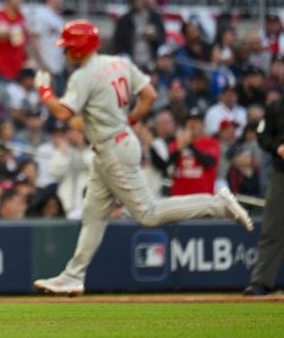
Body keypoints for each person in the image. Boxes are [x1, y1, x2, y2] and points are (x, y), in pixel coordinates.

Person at [31, 20, 253, 296]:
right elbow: (148, 95)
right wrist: (128, 120)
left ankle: (218, 204)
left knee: (147, 214)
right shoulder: (119, 63)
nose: (65, 53)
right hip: (117, 143)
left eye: (67, 47)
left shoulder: (83, 75)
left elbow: (63, 114)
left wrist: (45, 92)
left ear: (77, 49)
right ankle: (72, 276)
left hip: (113, 149)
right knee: (93, 215)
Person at [244, 95, 284, 296]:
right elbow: (262, 136)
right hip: (281, 174)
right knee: (271, 230)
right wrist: (277, 147)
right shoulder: (275, 107)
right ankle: (261, 281)